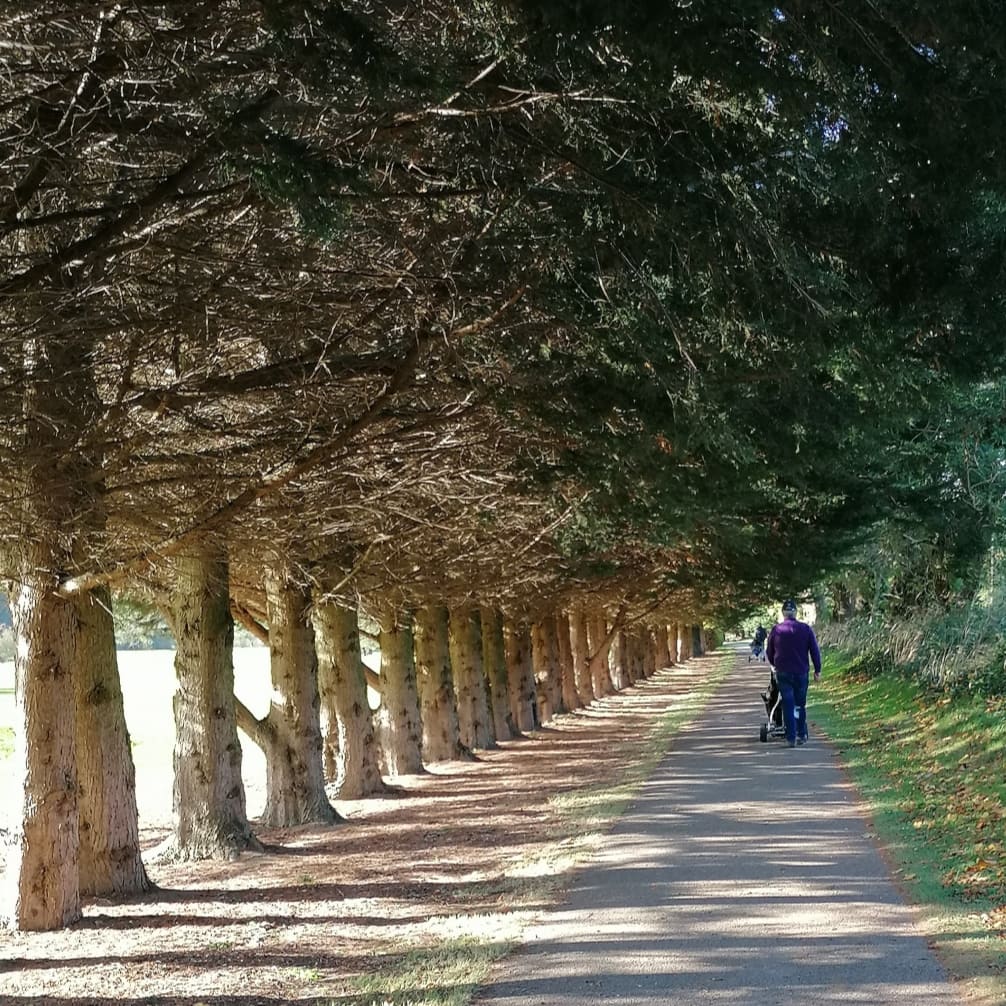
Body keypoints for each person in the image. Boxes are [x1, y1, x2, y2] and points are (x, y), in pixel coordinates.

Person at [766, 599, 821, 747]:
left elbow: (769, 652)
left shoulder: (776, 630)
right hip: (801, 672)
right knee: (799, 705)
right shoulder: (805, 629)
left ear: (783, 613)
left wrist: (774, 664)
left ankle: (791, 737)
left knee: (788, 704)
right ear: (795, 613)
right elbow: (814, 651)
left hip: (783, 673)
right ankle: (801, 734)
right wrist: (817, 670)